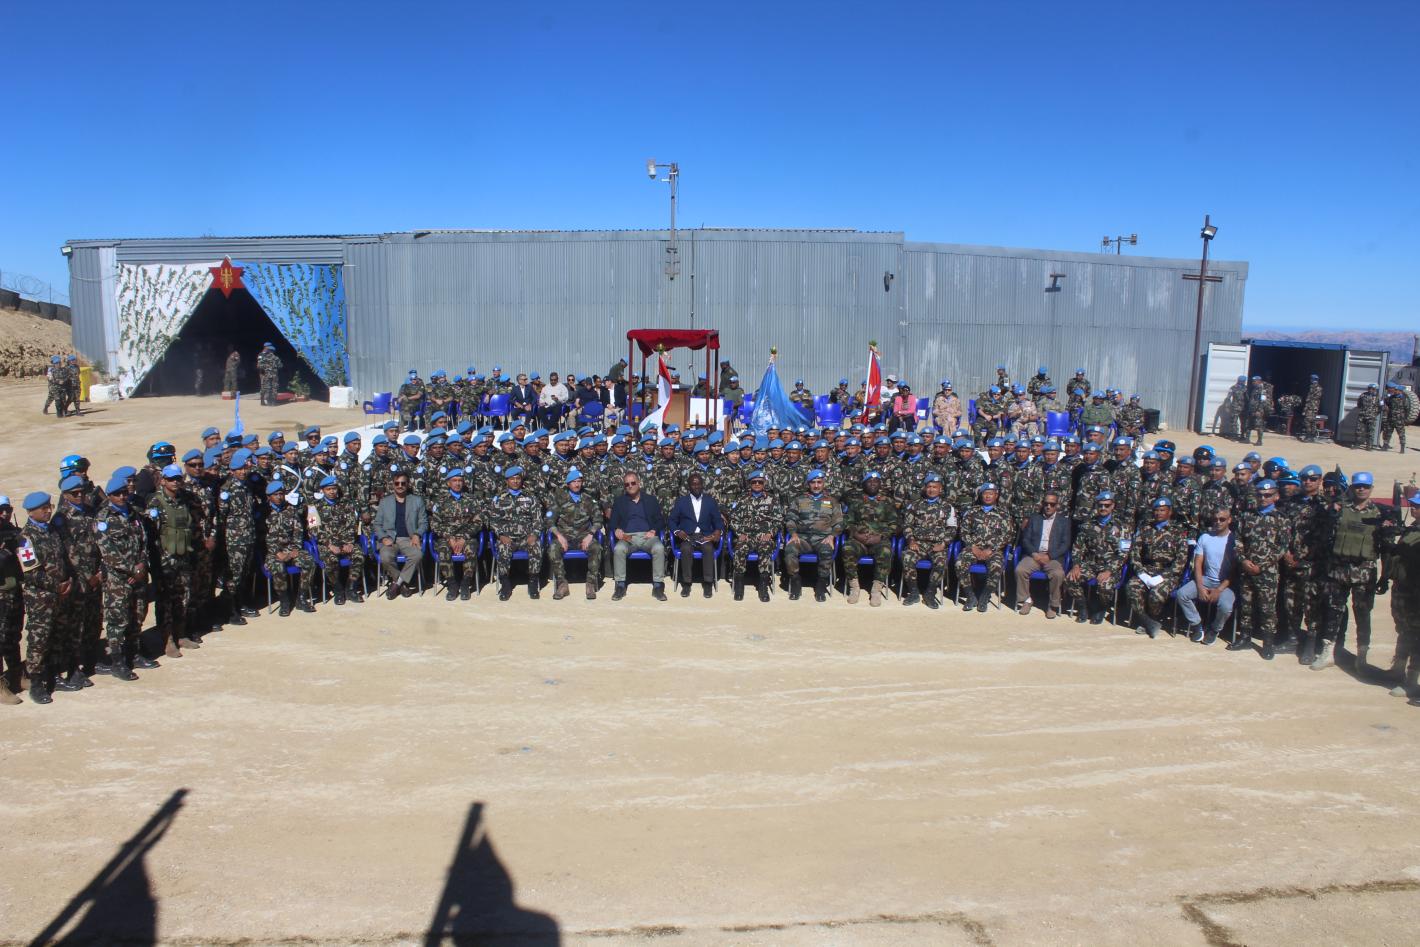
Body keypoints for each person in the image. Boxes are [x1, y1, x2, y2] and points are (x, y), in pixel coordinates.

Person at [1314, 471, 1397, 672]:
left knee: (1363, 613)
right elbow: (1324, 534)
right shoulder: (1339, 509)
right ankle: (1328, 652)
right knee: (1333, 611)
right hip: (1338, 570)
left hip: (1364, 573)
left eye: (1365, 486)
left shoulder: (1380, 513)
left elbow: (1386, 548)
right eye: (1358, 486)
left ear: (1371, 489)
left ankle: (1362, 656)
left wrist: (1385, 577)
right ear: (1351, 487)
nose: (1361, 489)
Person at [19, 492, 75, 704]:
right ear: (30, 512)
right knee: (39, 640)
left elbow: (62, 559)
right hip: (40, 599)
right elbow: (30, 572)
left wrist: (68, 580)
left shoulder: (51, 530)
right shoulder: (26, 538)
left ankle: (54, 674)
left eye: (49, 507)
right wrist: (56, 586)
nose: (48, 511)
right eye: (43, 509)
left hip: (60, 594)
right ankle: (36, 683)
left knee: (58, 635)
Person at [1125, 497, 1190, 639]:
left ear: (1169, 512)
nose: (1158, 513)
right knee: (1132, 587)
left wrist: (1162, 577)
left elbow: (1181, 560)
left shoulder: (1178, 532)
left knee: (1156, 594)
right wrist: (1142, 574)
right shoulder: (1145, 528)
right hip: (1147, 570)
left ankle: (1153, 617)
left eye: (1162, 510)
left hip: (1168, 573)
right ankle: (1147, 621)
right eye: (1156, 510)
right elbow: (1135, 553)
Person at [1064, 492, 1130, 624]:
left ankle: (1101, 608)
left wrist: (1109, 571)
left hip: (1110, 568)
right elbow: (1078, 547)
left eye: (1107, 505)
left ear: (1113, 506)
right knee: (1070, 579)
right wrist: (1076, 565)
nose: (1103, 508)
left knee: (1105, 586)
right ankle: (1083, 607)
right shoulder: (1087, 525)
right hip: (1090, 565)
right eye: (1100, 505)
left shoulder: (1122, 527)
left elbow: (1123, 554)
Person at [1177, 508, 1237, 645]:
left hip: (1225, 583)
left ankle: (1215, 629)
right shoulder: (1205, 537)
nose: (1218, 522)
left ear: (1229, 520)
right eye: (1215, 519)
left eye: (1222, 519)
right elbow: (1198, 563)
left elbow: (1234, 570)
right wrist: (1200, 587)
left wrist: (1219, 590)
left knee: (1225, 606)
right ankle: (1197, 625)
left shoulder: (1234, 540)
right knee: (1182, 594)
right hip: (1207, 579)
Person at [783, 470, 842, 602]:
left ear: (823, 483)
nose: (816, 485)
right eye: (813, 482)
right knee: (789, 550)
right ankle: (795, 581)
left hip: (823, 539)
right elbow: (790, 519)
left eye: (819, 482)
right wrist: (793, 533)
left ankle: (821, 584)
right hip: (802, 538)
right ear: (808, 484)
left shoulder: (832, 501)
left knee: (827, 551)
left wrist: (832, 536)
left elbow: (839, 522)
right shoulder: (799, 500)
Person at [1383, 496, 1420, 704]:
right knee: (1404, 629)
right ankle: (1398, 668)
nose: (1413, 508)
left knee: (1417, 634)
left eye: (1418, 506)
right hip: (1403, 589)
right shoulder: (1412, 529)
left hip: (1416, 592)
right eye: (1413, 505)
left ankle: (1412, 678)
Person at [842, 470, 899, 606]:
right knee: (847, 549)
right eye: (869, 481)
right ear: (864, 484)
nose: (873, 484)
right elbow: (847, 521)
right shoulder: (855, 501)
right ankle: (854, 587)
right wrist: (856, 534)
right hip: (859, 540)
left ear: (880, 484)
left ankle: (876, 590)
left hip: (879, 540)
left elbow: (895, 524)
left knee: (885, 551)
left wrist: (881, 536)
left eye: (876, 481)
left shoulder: (888, 502)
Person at [608, 471, 667, 601]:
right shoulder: (620, 502)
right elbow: (612, 523)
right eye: (627, 484)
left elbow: (660, 521)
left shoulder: (651, 500)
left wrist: (654, 530)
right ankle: (620, 585)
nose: (630, 486)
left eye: (633, 483)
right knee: (619, 549)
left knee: (659, 548)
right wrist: (616, 529)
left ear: (639, 483)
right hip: (628, 537)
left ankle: (658, 586)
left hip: (647, 536)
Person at [489, 466, 544, 601]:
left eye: (518, 478)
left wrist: (534, 534)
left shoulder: (530, 497)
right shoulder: (499, 498)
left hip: (526, 537)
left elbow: (538, 519)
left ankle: (533, 582)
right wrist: (501, 535)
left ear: (521, 480)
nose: (515, 481)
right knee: (503, 548)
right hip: (507, 537)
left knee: (536, 546)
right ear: (507, 481)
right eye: (512, 479)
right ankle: (505, 584)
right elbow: (493, 520)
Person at [901, 472, 955, 608]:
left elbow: (952, 529)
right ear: (925, 488)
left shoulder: (948, 507)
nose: (931, 489)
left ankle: (930, 593)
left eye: (935, 487)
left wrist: (944, 544)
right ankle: (913, 592)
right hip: (918, 543)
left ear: (940, 489)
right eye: (929, 486)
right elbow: (907, 525)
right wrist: (911, 541)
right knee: (907, 557)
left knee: (941, 562)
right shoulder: (915, 505)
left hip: (937, 545)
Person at [548, 468, 603, 600]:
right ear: (568, 484)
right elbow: (549, 521)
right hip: (564, 536)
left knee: (596, 547)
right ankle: (562, 584)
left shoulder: (588, 499)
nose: (577, 484)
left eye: (579, 481)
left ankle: (590, 583)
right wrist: (559, 536)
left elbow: (598, 520)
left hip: (583, 536)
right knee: (553, 549)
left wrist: (590, 535)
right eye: (574, 482)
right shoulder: (559, 499)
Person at [956, 483, 1012, 611]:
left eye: (991, 494)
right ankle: (970, 596)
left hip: (993, 550)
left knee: (996, 565)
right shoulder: (972, 512)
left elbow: (1007, 535)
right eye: (985, 493)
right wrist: (972, 547)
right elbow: (964, 532)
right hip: (973, 548)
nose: (988, 496)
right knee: (959, 563)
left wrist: (991, 549)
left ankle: (984, 597)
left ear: (996, 496)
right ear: (981, 495)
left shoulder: (1003, 514)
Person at [1014, 492, 1071, 617]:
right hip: (1034, 555)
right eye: (1046, 503)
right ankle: (1026, 600)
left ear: (1057, 505)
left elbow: (1065, 544)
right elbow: (1025, 539)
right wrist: (1034, 553)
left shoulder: (1064, 521)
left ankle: (1053, 604)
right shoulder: (1034, 518)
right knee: (1020, 570)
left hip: (1052, 557)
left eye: (1052, 504)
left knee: (1057, 574)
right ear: (1042, 504)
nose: (1048, 506)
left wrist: (1050, 556)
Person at [312, 475, 365, 605]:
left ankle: (351, 588)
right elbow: (313, 530)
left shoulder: (346, 504)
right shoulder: (314, 508)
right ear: (322, 490)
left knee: (359, 555)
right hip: (327, 544)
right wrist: (329, 545)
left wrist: (350, 542)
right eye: (328, 489)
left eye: (334, 488)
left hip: (346, 542)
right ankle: (338, 590)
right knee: (331, 560)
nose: (332, 492)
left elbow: (352, 525)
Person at [669, 471, 723, 598]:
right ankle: (686, 583)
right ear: (689, 486)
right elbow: (672, 520)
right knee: (686, 549)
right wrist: (677, 531)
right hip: (688, 536)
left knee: (708, 549)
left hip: (705, 535)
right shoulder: (682, 501)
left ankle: (708, 583)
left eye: (698, 484)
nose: (696, 486)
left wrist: (718, 531)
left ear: (702, 485)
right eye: (693, 484)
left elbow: (717, 520)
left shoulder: (710, 501)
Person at [374, 473, 427, 599]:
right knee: (385, 557)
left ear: (408, 485)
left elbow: (424, 522)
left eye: (403, 483)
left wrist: (417, 534)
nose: (400, 486)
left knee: (417, 555)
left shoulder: (417, 501)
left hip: (409, 539)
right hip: (390, 539)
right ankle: (402, 584)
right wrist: (383, 538)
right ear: (393, 485)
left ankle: (396, 584)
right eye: (397, 483)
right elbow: (377, 524)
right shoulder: (385, 502)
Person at [1382, 382, 1409, 453]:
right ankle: (1385, 446)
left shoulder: (1404, 399)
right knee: (1388, 433)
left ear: (1400, 391)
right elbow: (1386, 403)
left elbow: (1407, 409)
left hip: (1399, 420)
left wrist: (1404, 419)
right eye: (1395, 390)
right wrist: (1385, 406)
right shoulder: (1391, 397)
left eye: (1396, 390)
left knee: (1401, 434)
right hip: (1390, 419)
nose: (1395, 391)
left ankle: (1402, 448)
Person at [1354, 383, 1380, 449]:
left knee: (1370, 431)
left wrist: (1374, 414)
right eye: (1369, 388)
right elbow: (1359, 404)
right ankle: (1357, 444)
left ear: (1375, 390)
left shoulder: (1378, 397)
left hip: (1371, 417)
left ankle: (1369, 445)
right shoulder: (1363, 395)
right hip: (1362, 416)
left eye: (1373, 389)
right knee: (1358, 430)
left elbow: (1381, 407)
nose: (1371, 390)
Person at [257, 342, 282, 407]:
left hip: (266, 374)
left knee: (268, 388)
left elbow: (259, 365)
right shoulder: (262, 355)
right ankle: (270, 402)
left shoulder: (265, 357)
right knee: (273, 388)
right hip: (267, 374)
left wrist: (265, 367)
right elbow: (280, 366)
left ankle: (269, 402)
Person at [1300, 374, 1324, 442]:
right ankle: (1312, 436)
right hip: (1313, 406)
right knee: (1313, 421)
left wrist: (1306, 408)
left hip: (1311, 407)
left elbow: (1311, 398)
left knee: (1307, 420)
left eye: (1311, 379)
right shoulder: (1317, 387)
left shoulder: (1315, 387)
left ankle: (1309, 436)